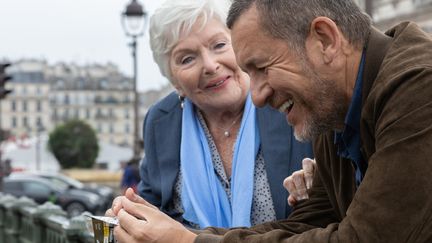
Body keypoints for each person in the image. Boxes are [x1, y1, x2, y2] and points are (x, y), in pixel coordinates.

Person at [107, 0, 432, 242]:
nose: (257, 96)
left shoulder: (420, 88)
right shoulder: (330, 105)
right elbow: (306, 224)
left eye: (262, 67)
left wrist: (188, 241)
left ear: (325, 40)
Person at [134, 0, 313, 230]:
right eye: (187, 59)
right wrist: (131, 217)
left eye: (219, 45)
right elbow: (152, 210)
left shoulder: (286, 96)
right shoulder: (161, 121)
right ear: (174, 81)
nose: (210, 65)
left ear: (240, 45)